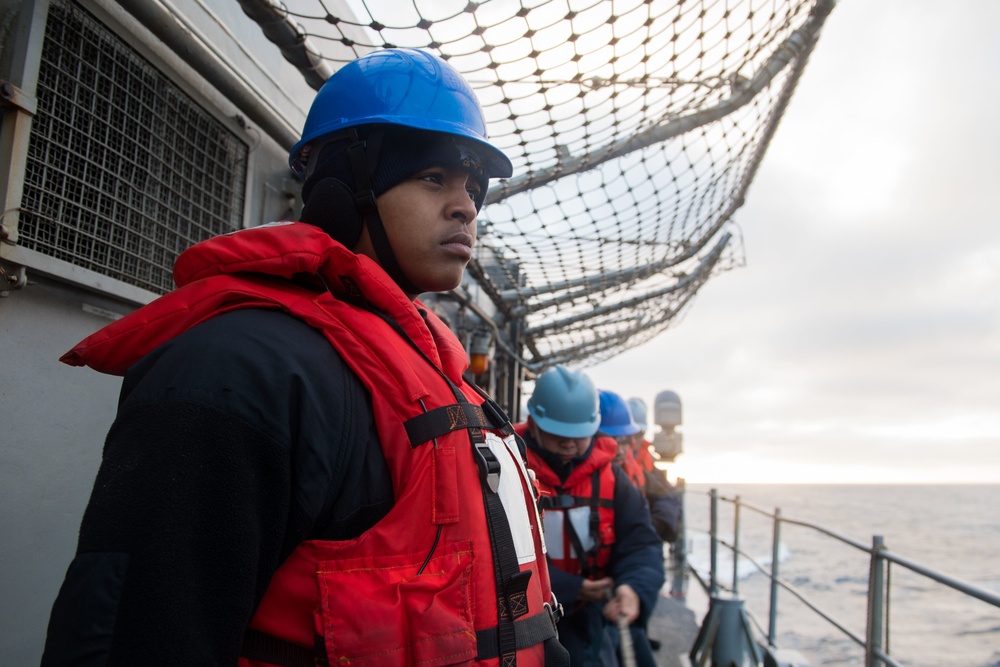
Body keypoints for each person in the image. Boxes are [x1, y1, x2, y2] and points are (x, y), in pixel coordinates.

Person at [41, 48, 568, 667]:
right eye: (434, 178)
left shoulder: (427, 364)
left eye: (473, 189)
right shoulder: (238, 367)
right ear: (349, 184)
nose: (466, 207)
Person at [515, 367, 664, 667]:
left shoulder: (614, 480)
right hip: (523, 618)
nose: (569, 444)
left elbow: (641, 544)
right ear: (534, 424)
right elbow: (492, 555)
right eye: (559, 434)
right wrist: (570, 587)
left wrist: (632, 587)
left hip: (589, 617)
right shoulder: (510, 471)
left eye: (579, 436)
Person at [625, 397, 682, 544]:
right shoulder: (611, 466)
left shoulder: (650, 467)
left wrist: (658, 524)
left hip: (645, 538)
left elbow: (667, 495)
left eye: (638, 434)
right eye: (625, 435)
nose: (632, 440)